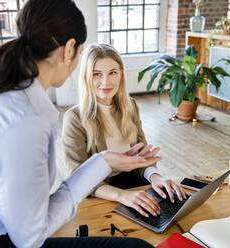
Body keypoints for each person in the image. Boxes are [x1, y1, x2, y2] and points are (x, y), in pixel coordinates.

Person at [0, 1, 161, 247]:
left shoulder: (12, 98)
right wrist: (101, 164)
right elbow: (30, 237)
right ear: (69, 49)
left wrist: (105, 161)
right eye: (80, 53)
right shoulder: (24, 118)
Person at [62, 44, 188, 218]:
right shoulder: (74, 118)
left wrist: (155, 177)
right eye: (97, 74)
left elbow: (142, 155)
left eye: (112, 72)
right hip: (102, 190)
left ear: (121, 73)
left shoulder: (131, 106)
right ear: (86, 77)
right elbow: (79, 179)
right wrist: (122, 196)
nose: (106, 82)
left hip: (134, 181)